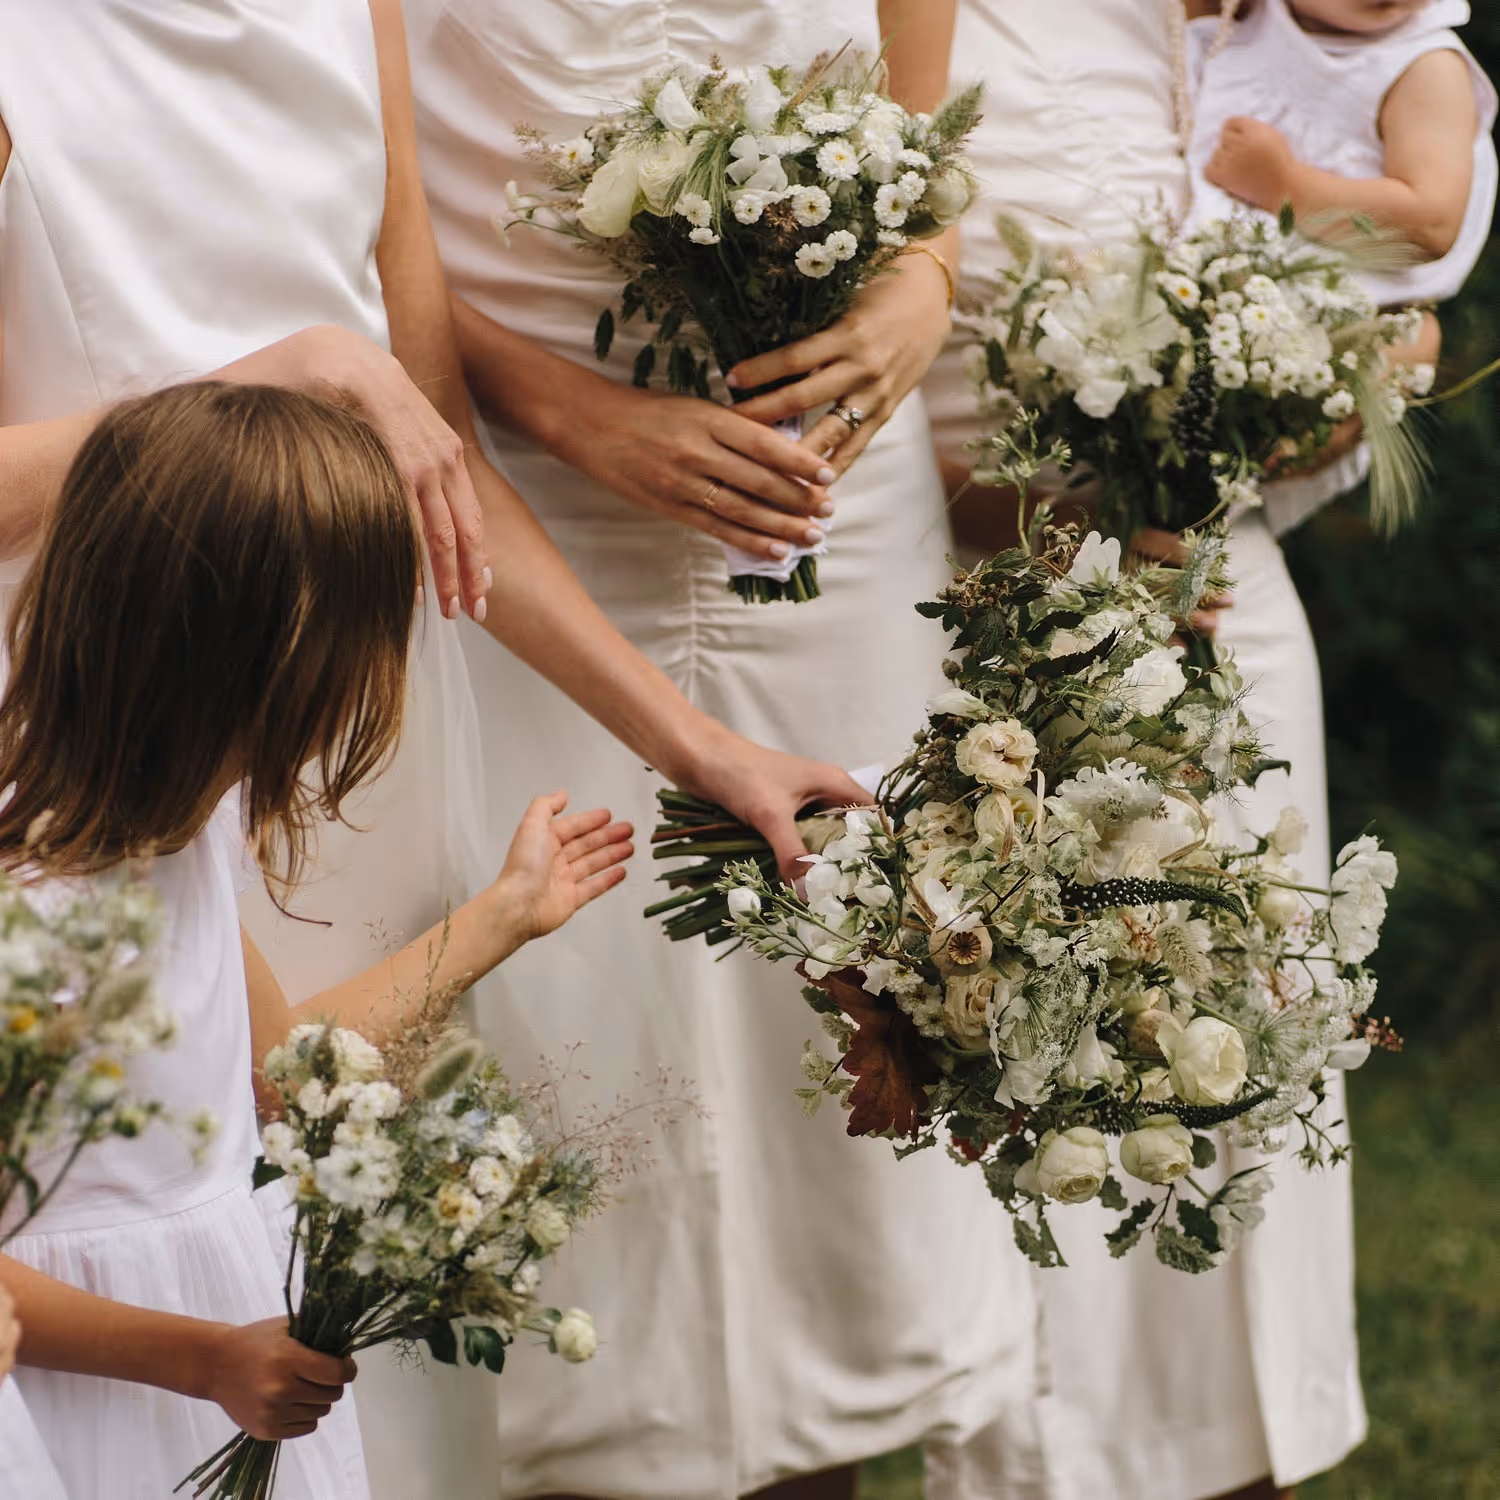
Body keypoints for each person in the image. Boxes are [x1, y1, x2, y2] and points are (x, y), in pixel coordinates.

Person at [395, 3, 1034, 1498]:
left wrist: (922, 292)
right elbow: (360, 225)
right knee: (570, 1048)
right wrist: (569, 413)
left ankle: (829, 1441)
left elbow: (924, 146)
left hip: (831, 521)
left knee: (844, 1067)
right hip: (522, 522)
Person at [919, 4, 1419, 1497]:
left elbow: (1318, 322)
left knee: (1242, 1076)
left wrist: (1345, 382)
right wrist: (1079, 522)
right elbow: (897, 445)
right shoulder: (889, 35)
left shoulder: (1207, 34)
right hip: (1008, 643)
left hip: (1229, 624)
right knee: (1056, 1086)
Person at [0, 381, 635, 1498]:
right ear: (271, 656)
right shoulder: (32, 906)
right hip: (99, 1396)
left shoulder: (178, 840)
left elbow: (276, 1080)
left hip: (219, 1343)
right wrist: (203, 1360)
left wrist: (503, 916)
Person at [1189, 0, 1497, 311]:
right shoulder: (1249, 14)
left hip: (1335, 312)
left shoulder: (1427, 68)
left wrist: (1284, 186)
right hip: (1205, 277)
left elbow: (1431, 226)